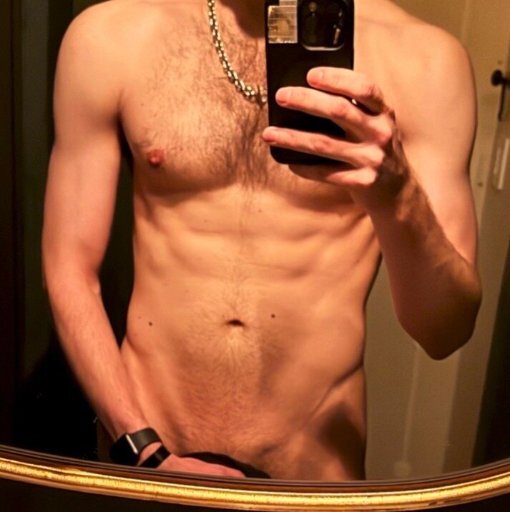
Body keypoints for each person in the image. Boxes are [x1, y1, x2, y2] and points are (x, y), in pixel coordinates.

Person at [42, 0, 481, 481]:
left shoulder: (423, 61)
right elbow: (70, 268)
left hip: (309, 471)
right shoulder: (112, 36)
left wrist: (398, 194)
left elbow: (445, 331)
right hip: (151, 453)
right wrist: (139, 445)